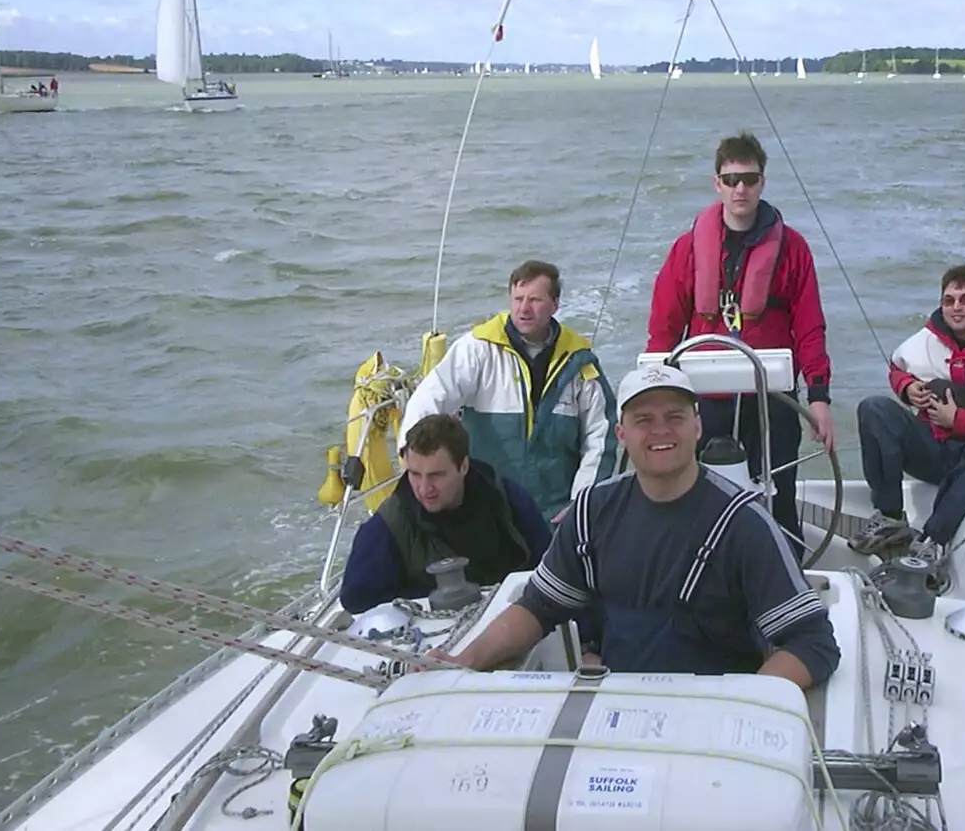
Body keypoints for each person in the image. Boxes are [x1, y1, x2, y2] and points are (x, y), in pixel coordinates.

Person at [430, 364, 840, 688]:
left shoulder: (746, 524)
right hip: (617, 708)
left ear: (697, 428)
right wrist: (462, 662)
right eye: (643, 419)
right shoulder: (591, 511)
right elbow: (538, 607)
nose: (660, 429)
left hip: (714, 717)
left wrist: (742, 705)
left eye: (674, 417)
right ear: (621, 434)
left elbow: (813, 644)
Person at [646, 132, 835, 552]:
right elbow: (664, 325)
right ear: (717, 183)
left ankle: (786, 565)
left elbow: (809, 327)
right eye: (731, 180)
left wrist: (819, 397)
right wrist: (656, 388)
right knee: (693, 488)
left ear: (762, 182)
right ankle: (699, 563)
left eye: (749, 179)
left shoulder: (793, 249)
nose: (740, 189)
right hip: (703, 391)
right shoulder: (687, 249)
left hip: (772, 394)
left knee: (779, 489)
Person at [849, 264, 965, 567]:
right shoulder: (927, 338)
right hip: (936, 451)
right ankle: (891, 518)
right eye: (949, 300)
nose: (956, 307)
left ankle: (933, 539)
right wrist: (907, 387)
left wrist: (959, 421)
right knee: (874, 408)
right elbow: (897, 368)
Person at [400, 260, 617, 521]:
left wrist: (580, 505)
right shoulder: (477, 350)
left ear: (555, 304)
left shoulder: (580, 363)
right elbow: (430, 399)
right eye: (517, 298)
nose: (524, 309)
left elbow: (601, 436)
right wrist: (411, 460)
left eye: (535, 300)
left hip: (557, 516)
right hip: (486, 511)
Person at [339, 413, 552, 614]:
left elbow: (554, 568)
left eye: (436, 475)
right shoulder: (390, 523)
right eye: (415, 474)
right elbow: (355, 598)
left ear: (463, 466)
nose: (424, 488)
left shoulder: (508, 500)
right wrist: (428, 598)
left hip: (514, 615)